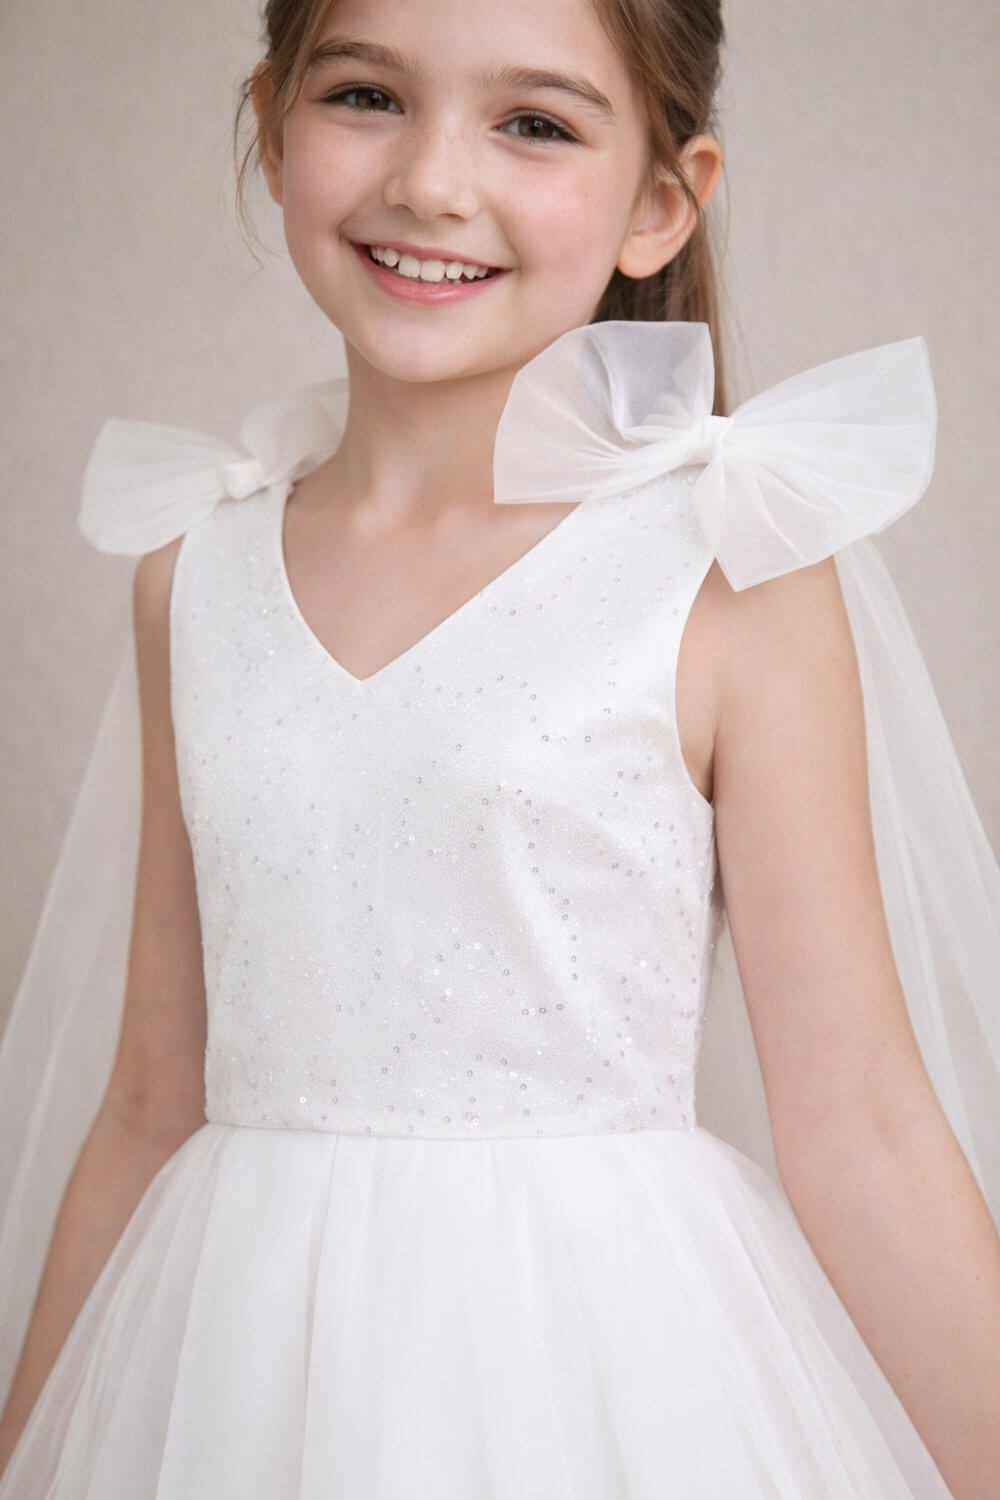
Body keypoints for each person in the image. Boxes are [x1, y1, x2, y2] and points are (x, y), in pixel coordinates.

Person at [1, 0, 998, 1494]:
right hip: (238, 1365)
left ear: (662, 202)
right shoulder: (192, 578)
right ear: (272, 129)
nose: (431, 184)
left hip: (597, 1368)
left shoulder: (728, 578)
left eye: (532, 122)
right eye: (364, 96)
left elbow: (863, 1126)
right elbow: (152, 1097)